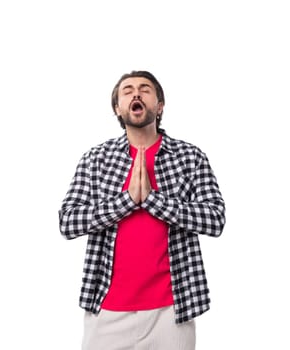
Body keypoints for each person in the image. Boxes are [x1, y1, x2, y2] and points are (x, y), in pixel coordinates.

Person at [59, 70, 226, 350]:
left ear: (159, 106)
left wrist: (152, 200)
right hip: (107, 309)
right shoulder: (96, 159)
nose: (136, 93)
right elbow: (68, 221)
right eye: (127, 91)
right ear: (118, 108)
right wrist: (127, 201)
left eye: (145, 89)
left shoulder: (190, 157)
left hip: (172, 310)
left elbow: (215, 219)